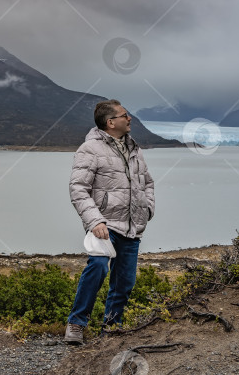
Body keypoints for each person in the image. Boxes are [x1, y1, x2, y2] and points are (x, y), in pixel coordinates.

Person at [64, 99, 156, 345]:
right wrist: (95, 221)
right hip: (104, 224)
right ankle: (76, 324)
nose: (130, 119)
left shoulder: (134, 149)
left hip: (132, 225)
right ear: (110, 122)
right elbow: (78, 189)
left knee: (124, 283)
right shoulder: (89, 149)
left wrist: (147, 209)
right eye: (125, 115)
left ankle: (111, 330)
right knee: (97, 267)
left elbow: (147, 182)